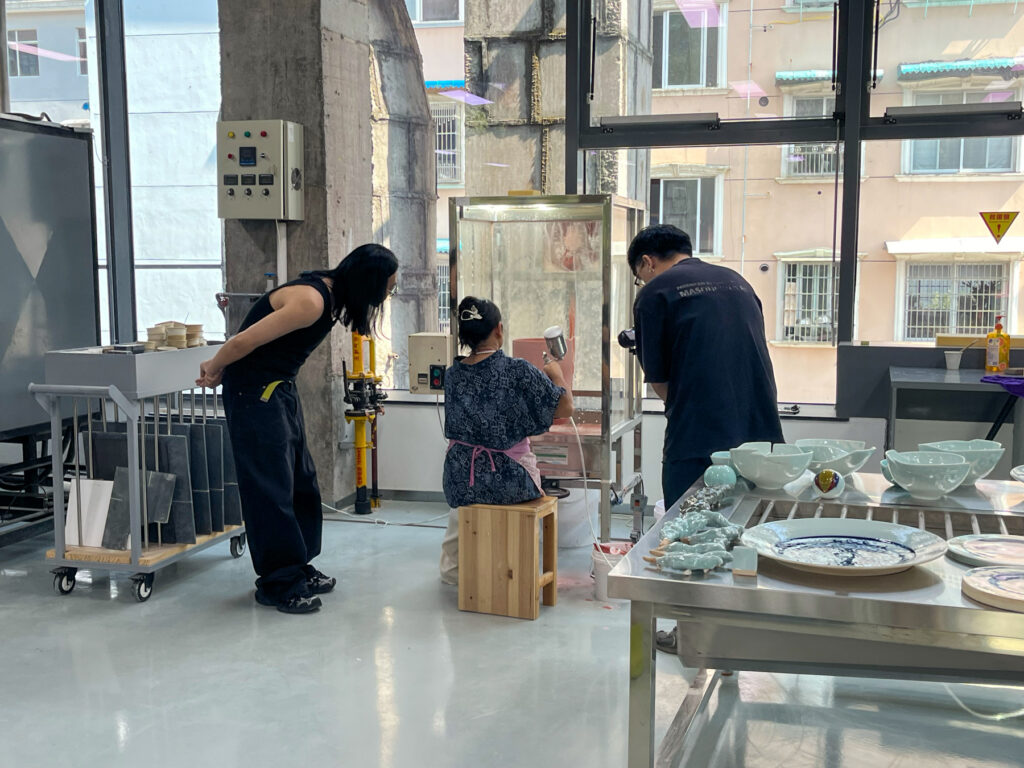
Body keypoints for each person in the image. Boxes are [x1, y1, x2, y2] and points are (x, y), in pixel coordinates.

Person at [196, 244, 399, 614]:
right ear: (368, 283)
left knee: (300, 481)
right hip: (253, 392)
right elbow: (244, 340)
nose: (387, 295)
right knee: (270, 487)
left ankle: (298, 565)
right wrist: (213, 367)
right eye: (388, 287)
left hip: (279, 388)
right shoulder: (312, 301)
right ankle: (278, 582)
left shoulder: (331, 296)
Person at [629, 224, 784, 509]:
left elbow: (660, 382)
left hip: (698, 440)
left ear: (647, 262)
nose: (643, 283)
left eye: (640, 277)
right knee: (753, 528)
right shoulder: (738, 282)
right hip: (762, 435)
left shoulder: (654, 294)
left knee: (689, 533)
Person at [439, 297, 574, 585]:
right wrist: (557, 376)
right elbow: (564, 409)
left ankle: (460, 574)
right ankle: (516, 573)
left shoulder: (451, 376)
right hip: (509, 479)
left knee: (463, 512)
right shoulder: (518, 370)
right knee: (524, 489)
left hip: (462, 478)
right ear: (499, 329)